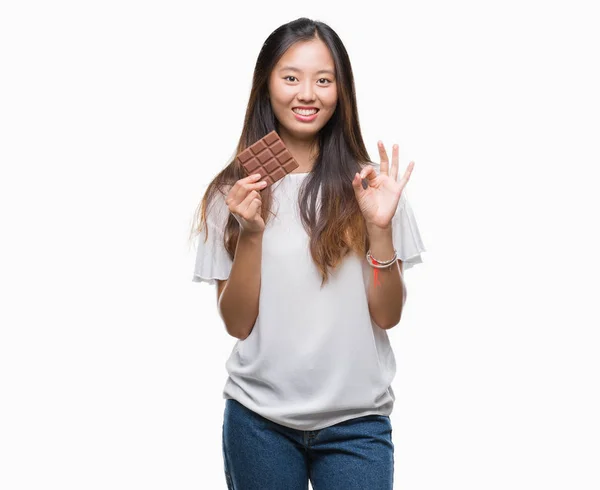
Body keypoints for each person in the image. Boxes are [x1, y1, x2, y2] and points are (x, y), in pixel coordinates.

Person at [190, 17, 426, 490]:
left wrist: (379, 230)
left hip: (356, 423)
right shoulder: (232, 194)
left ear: (342, 92)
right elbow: (237, 324)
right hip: (258, 422)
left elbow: (388, 315)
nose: (307, 93)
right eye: (291, 77)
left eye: (324, 80)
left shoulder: (371, 186)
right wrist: (251, 232)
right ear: (266, 84)